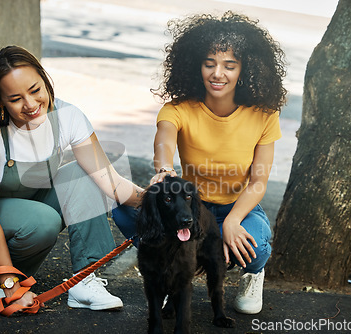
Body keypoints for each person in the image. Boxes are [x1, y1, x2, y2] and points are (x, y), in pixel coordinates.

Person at [0, 45, 143, 311]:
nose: (30, 104)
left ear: (45, 79)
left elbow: (112, 183)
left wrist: (158, 199)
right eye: (15, 99)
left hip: (29, 201)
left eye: (35, 90)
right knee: (42, 221)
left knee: (85, 175)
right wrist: (10, 287)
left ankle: (83, 281)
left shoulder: (69, 116)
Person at [113, 11, 286, 314]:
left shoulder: (264, 114)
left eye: (229, 66)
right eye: (210, 64)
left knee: (254, 245)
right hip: (190, 209)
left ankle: (253, 274)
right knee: (127, 213)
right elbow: (164, 139)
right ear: (197, 65)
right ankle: (171, 274)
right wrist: (165, 169)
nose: (218, 73)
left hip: (238, 207)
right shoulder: (179, 109)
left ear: (244, 69)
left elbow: (259, 182)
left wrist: (232, 221)